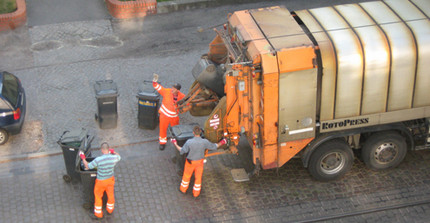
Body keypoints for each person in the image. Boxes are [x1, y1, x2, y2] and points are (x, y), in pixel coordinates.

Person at [171, 126, 227, 197]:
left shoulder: (189, 142)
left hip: (190, 163)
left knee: (186, 176)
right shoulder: (204, 142)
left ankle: (183, 189)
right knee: (198, 178)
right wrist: (223, 142)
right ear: (200, 132)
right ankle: (196, 193)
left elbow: (182, 151)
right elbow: (214, 146)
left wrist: (175, 143)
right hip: (200, 162)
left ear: (193, 133)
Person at [80, 142, 121, 219]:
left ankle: (99, 214)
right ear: (108, 149)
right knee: (110, 195)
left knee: (98, 196)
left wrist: (83, 158)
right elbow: (119, 157)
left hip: (101, 181)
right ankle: (110, 210)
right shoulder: (113, 158)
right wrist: (113, 152)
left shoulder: (98, 160)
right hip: (110, 180)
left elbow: (88, 166)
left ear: (102, 150)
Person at [152, 73, 185, 151]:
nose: (172, 89)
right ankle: (162, 143)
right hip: (164, 116)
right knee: (163, 129)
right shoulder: (166, 91)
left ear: (178, 90)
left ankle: (176, 141)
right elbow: (158, 87)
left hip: (174, 117)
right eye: (172, 87)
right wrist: (154, 81)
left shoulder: (182, 96)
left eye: (174, 88)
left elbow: (187, 102)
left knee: (176, 130)